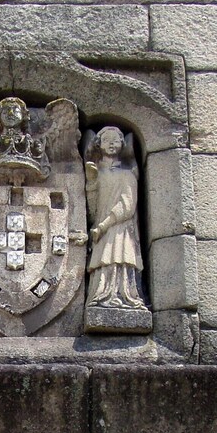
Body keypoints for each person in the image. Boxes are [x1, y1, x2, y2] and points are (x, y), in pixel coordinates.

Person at [84, 126, 148, 310]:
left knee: (119, 260)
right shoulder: (97, 173)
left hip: (120, 228)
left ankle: (124, 297)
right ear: (98, 145)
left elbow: (127, 206)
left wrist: (104, 226)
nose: (111, 143)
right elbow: (93, 210)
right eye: (106, 140)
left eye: (116, 139)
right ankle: (101, 296)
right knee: (103, 262)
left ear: (122, 144)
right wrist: (92, 183)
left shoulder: (127, 174)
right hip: (101, 230)